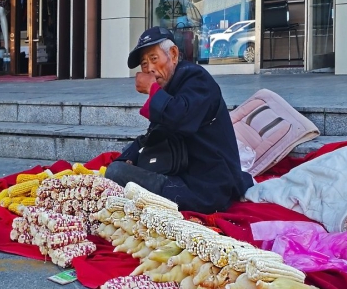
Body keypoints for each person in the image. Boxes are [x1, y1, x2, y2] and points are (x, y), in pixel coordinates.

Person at [105, 26, 253, 214]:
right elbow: (155, 133)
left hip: (206, 188)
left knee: (115, 174)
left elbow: (179, 117)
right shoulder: (170, 86)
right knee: (118, 168)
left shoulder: (197, 80)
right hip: (181, 173)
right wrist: (129, 157)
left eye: (153, 59)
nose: (149, 68)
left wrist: (152, 90)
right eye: (143, 64)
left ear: (173, 54)